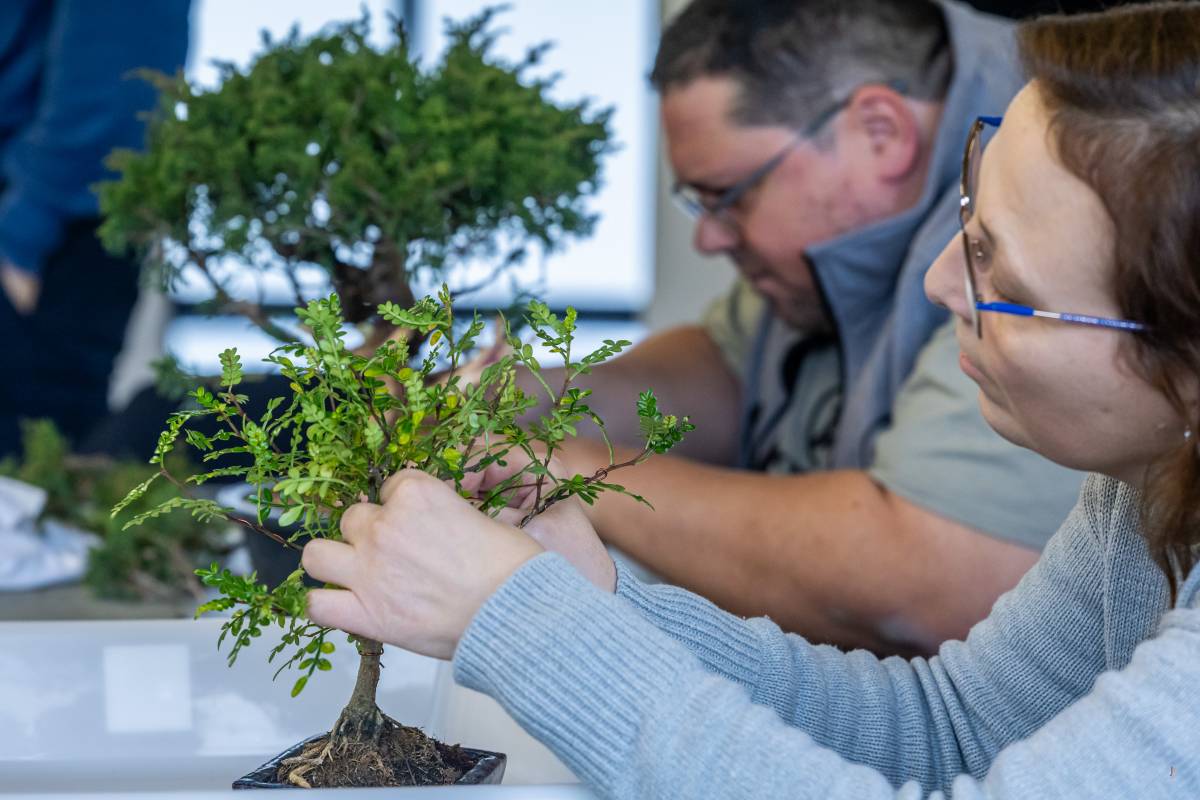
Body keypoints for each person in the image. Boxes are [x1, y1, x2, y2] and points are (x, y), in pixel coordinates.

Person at [302, 3, 1200, 797]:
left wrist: (525, 625)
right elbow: (946, 729)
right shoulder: (1141, 485)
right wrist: (600, 602)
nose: (940, 284)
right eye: (967, 226)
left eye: (1000, 274)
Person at [493, 0, 1086, 655]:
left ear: (881, 133)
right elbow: (728, 369)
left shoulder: (1053, 193)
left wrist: (564, 471)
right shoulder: (828, 251)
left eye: (730, 197)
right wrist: (529, 399)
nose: (708, 239)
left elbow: (927, 577)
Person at [0, 1, 191, 458]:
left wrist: (28, 228)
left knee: (32, 474)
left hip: (55, 215)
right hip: (44, 204)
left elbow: (123, 61)